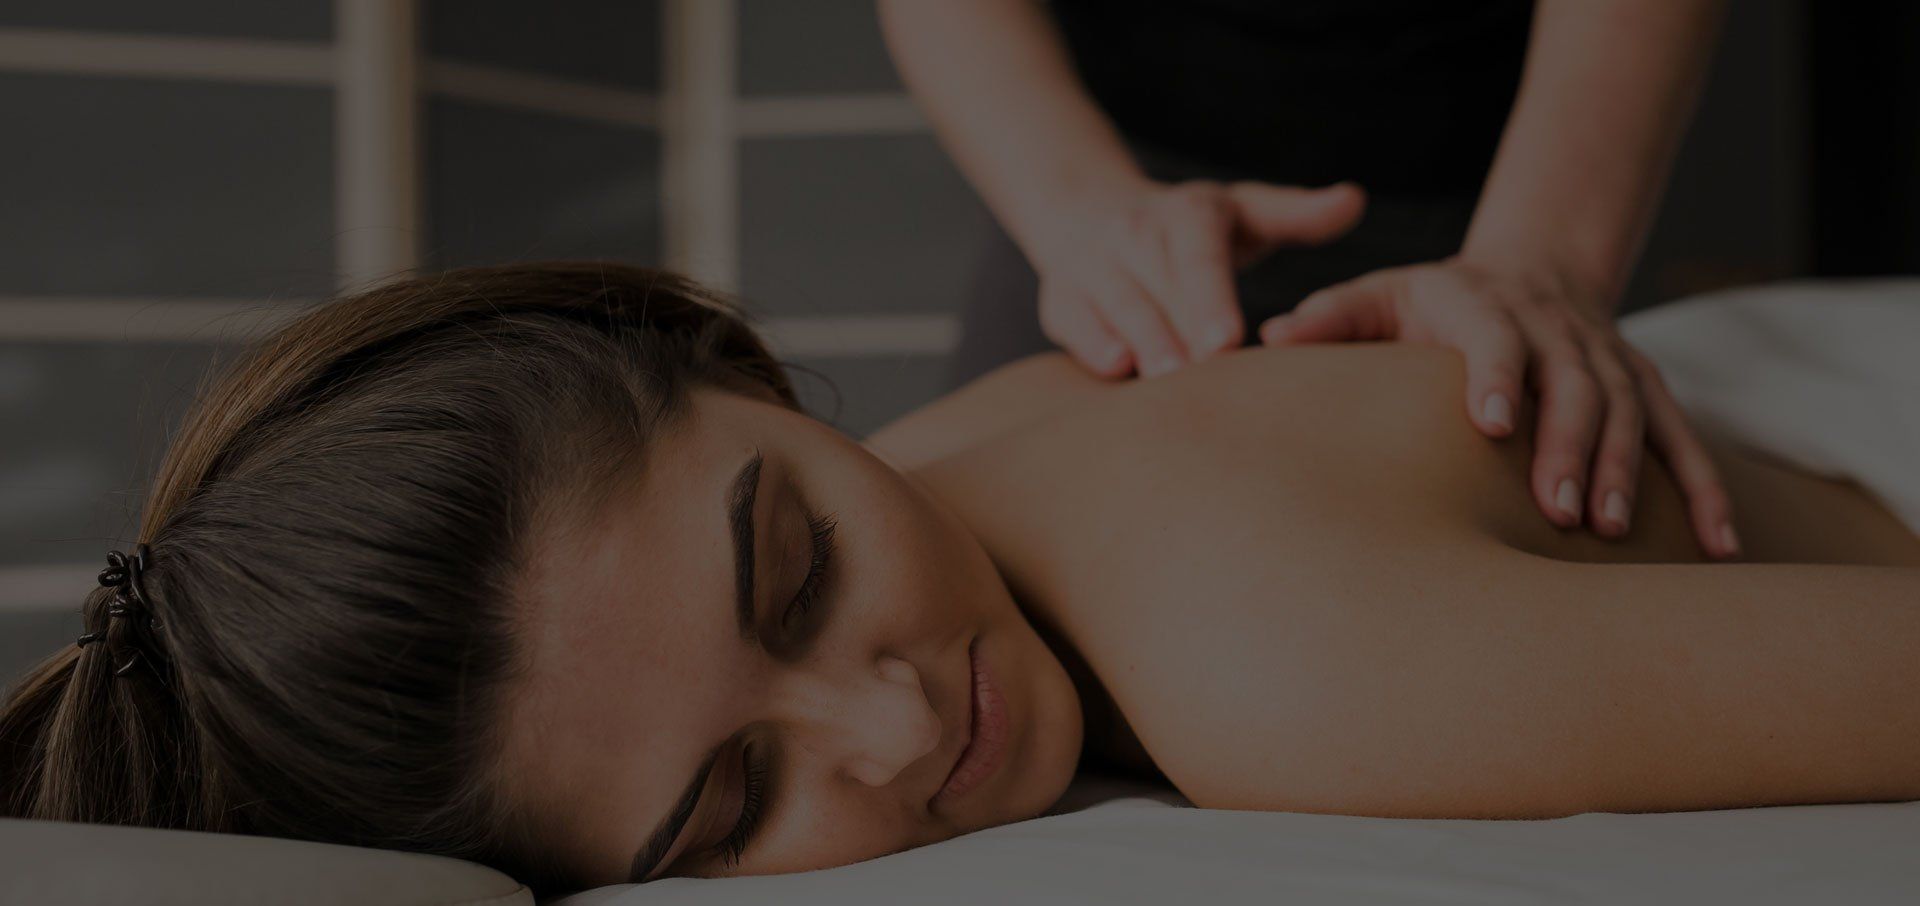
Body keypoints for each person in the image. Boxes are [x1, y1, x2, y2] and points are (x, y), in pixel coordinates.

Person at [3, 264, 1917, 897]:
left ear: (737, 364)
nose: (897, 720)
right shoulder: (932, 458)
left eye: (800, 567)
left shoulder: (1283, 666)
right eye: (736, 803)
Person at [879, 0, 1739, 559]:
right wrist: (1076, 210)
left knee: (1574, 517)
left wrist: (1544, 260)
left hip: (1504, 161)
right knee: (989, 547)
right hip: (1100, 174)